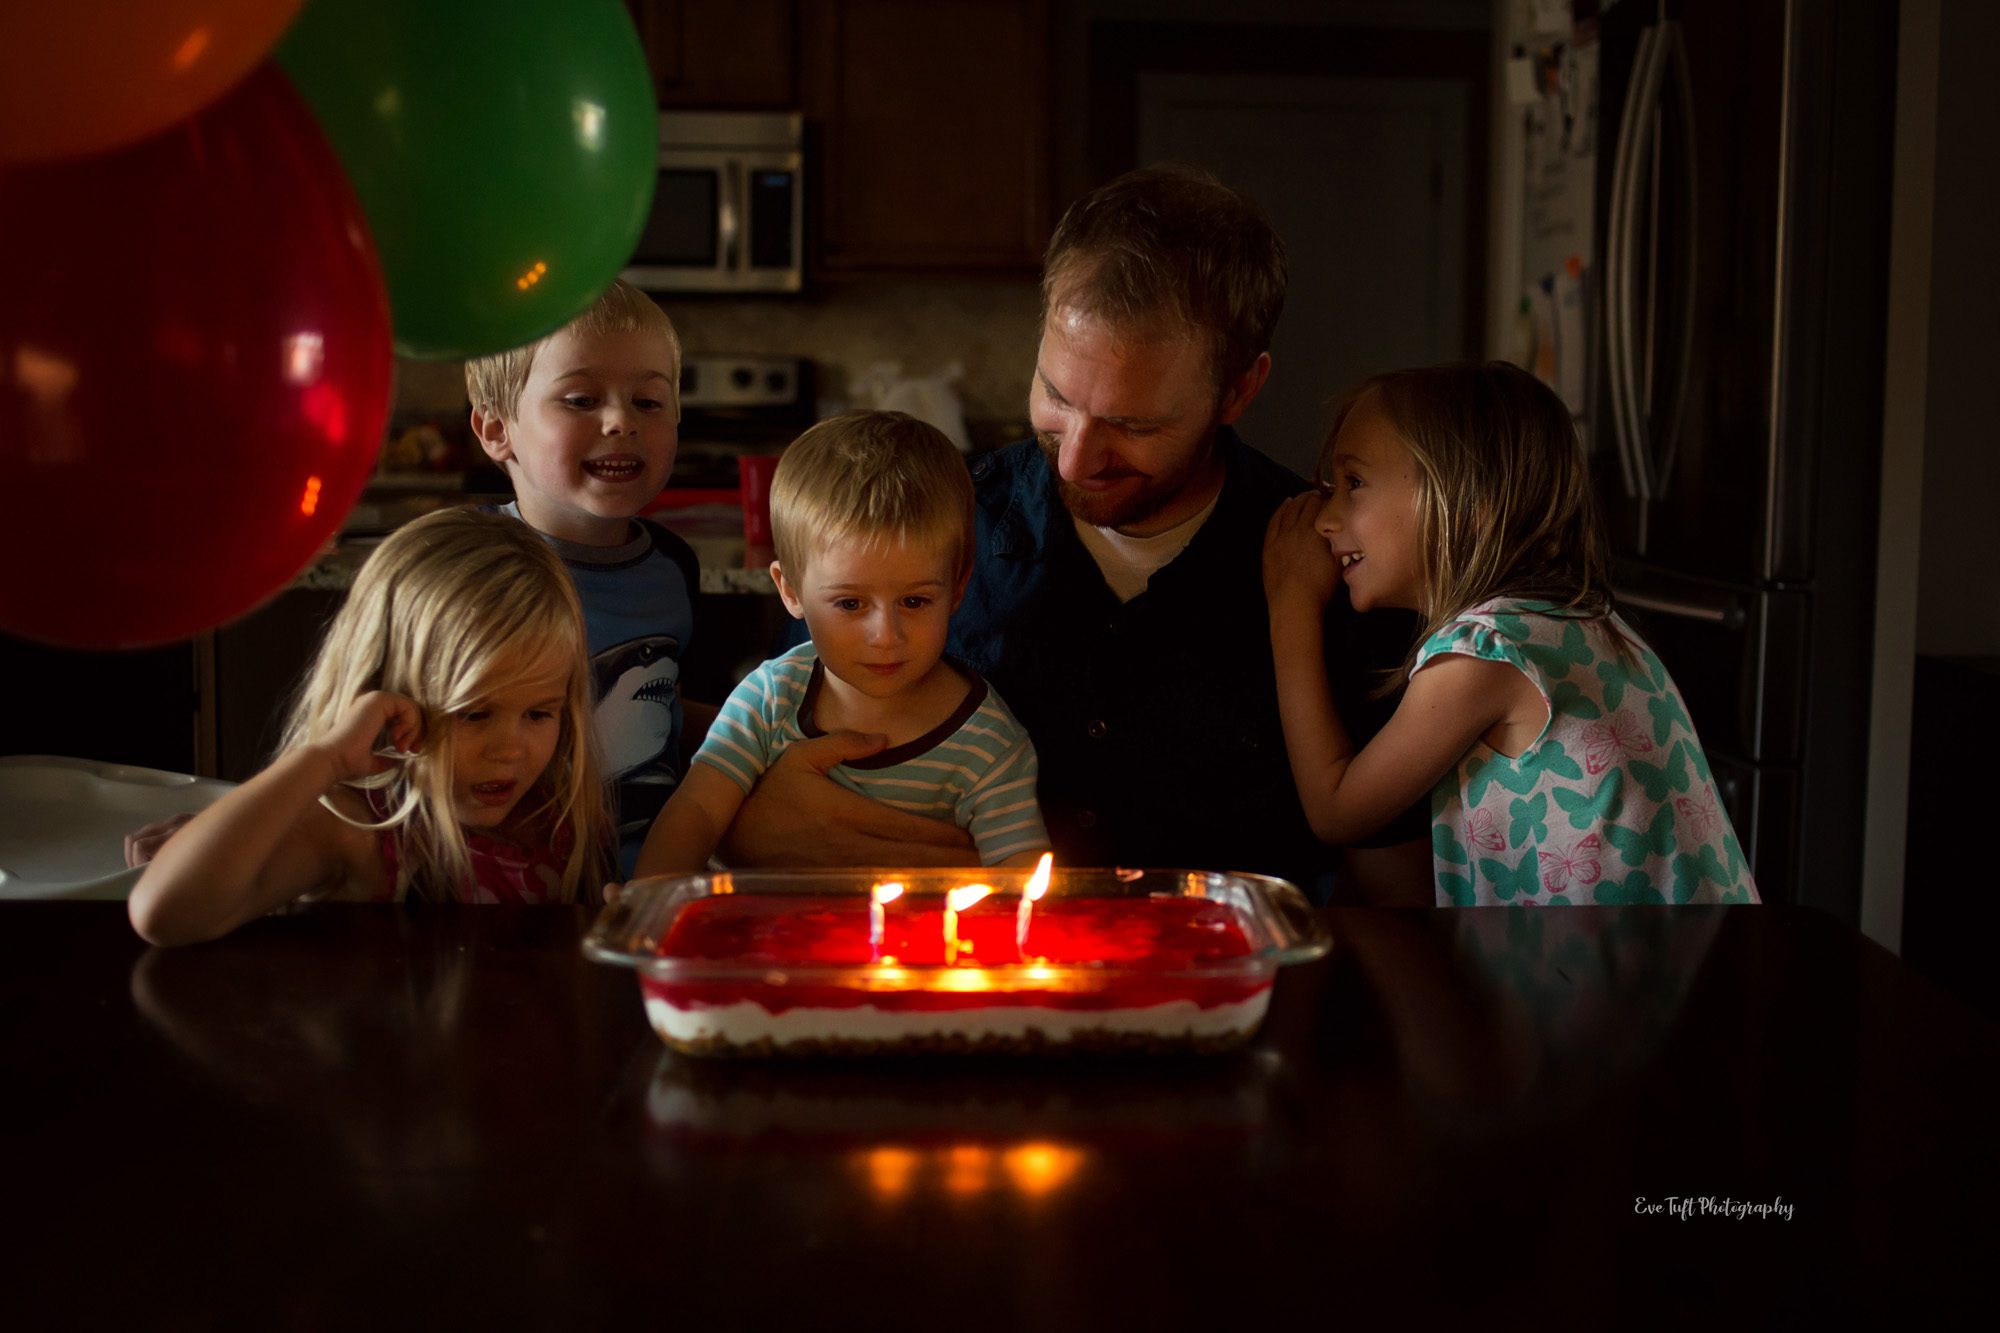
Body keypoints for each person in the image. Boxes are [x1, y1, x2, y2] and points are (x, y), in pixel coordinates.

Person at [720, 164, 1427, 900]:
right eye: (1056, 395)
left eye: (1133, 423)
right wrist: (743, 827)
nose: (1077, 456)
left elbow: (1394, 890)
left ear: (1241, 389)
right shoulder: (932, 522)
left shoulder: (1338, 567)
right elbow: (764, 746)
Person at [1261, 360, 1759, 906]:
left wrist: (1291, 605)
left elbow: (1336, 811)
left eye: (1353, 483)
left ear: (1467, 503)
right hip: (1691, 965)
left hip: (1629, 985)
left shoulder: (1484, 654)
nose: (1325, 520)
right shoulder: (1579, 621)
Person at [128, 508, 611, 946]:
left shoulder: (556, 810)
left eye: (539, 713)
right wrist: (327, 758)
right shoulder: (360, 829)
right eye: (473, 713)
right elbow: (164, 914)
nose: (510, 750)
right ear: (386, 694)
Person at [637, 411, 1050, 875]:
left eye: (914, 601)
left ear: (957, 588)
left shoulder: (988, 742)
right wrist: (648, 900)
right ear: (790, 590)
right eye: (851, 605)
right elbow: (698, 810)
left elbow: (1019, 876)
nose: (886, 636)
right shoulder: (769, 700)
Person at [464, 278, 711, 873]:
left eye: (648, 402)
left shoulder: (672, 565)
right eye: (580, 400)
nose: (621, 421)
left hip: (644, 885)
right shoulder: (463, 566)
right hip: (508, 898)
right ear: (497, 430)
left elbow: (667, 711)